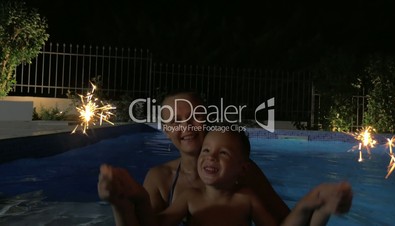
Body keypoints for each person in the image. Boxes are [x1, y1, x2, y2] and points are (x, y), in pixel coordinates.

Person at [98, 91, 353, 225]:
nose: (185, 126)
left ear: (207, 120)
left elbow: (283, 222)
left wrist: (316, 207)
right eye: (174, 121)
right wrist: (130, 202)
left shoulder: (243, 174)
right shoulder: (161, 179)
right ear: (165, 130)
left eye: (193, 117)